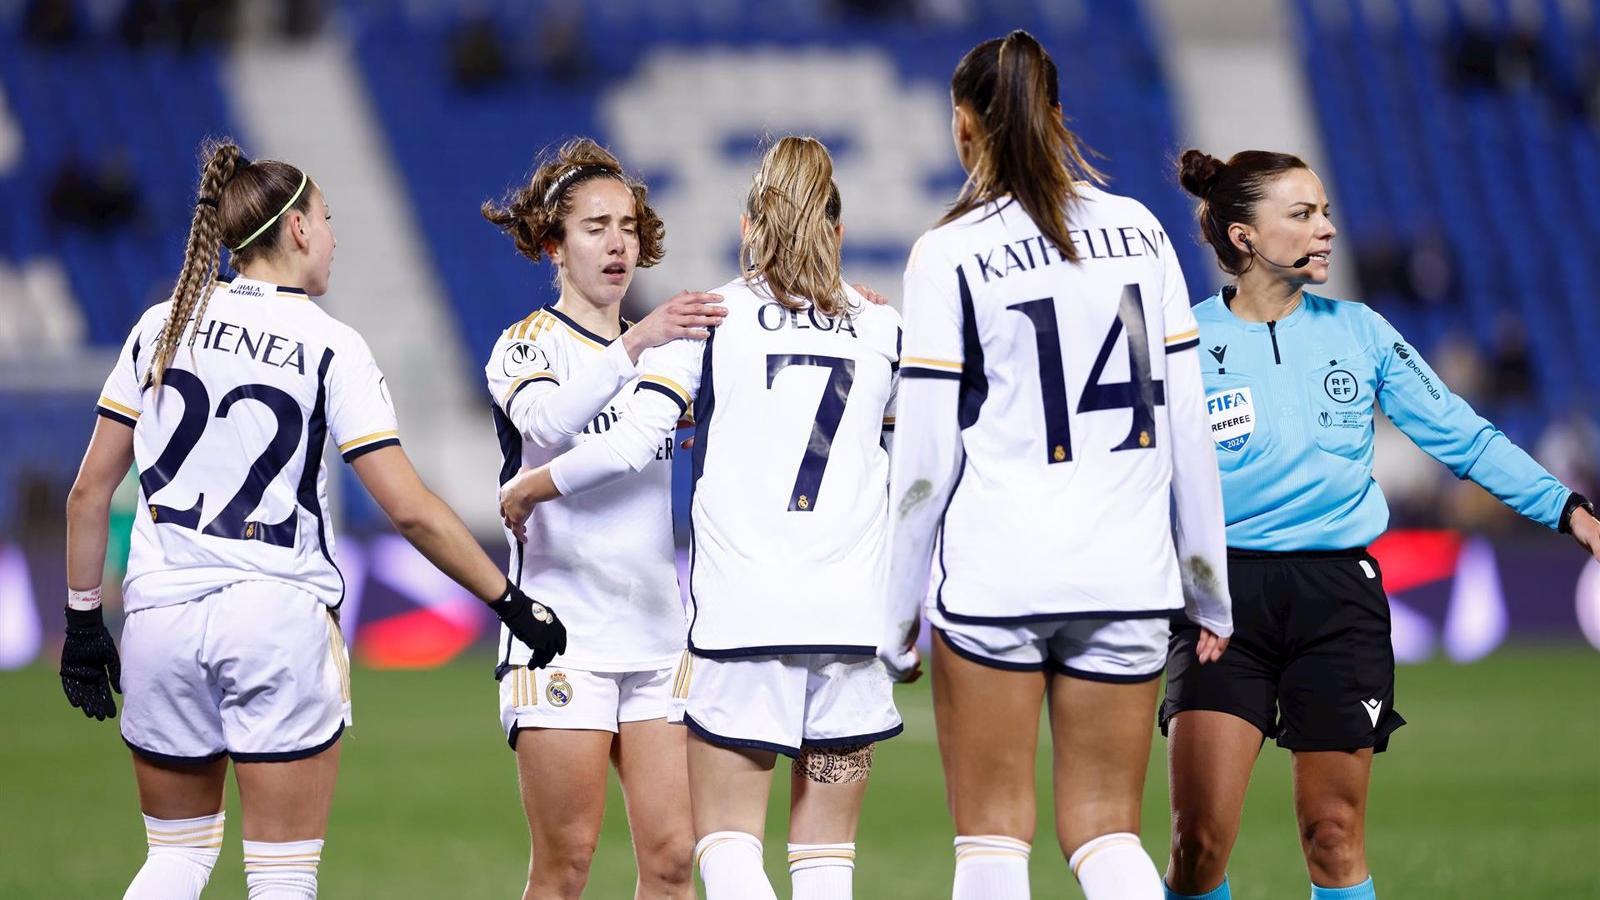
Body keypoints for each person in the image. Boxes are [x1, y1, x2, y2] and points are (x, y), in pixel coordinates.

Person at [59, 140, 566, 900]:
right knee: (282, 876)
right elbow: (410, 510)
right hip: (274, 616)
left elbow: (88, 492)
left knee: (175, 858)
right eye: (327, 220)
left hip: (159, 617)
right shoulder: (332, 345)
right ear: (296, 229)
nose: (333, 237)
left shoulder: (160, 326)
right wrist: (510, 602)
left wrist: (81, 623)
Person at [1161, 148, 1600, 900]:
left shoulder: (1362, 333)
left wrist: (1569, 510)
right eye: (1302, 215)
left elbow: (1463, 435)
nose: (1327, 229)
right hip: (1219, 603)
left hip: (1338, 598)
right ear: (1244, 237)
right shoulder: (1182, 341)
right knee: (1198, 842)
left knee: (1332, 836)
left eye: (1325, 212)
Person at [499, 135, 904, 900]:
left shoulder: (707, 321)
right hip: (853, 627)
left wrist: (530, 488)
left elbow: (627, 446)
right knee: (825, 861)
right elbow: (916, 449)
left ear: (749, 228)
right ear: (839, 233)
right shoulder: (886, 329)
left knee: (723, 846)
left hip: (743, 626)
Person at [877, 30, 1233, 900]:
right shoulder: (1140, 231)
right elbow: (1187, 423)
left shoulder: (950, 251)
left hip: (1000, 577)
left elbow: (923, 462)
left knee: (993, 840)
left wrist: (894, 617)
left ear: (963, 128)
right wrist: (1210, 589)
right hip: (1128, 576)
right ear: (1059, 117)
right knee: (1108, 832)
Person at [479, 137, 726, 900]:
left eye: (626, 224)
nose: (617, 242)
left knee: (673, 860)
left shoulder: (672, 349)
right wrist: (635, 344)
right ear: (553, 244)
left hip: (656, 632)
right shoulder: (526, 347)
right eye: (594, 227)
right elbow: (550, 421)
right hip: (561, 637)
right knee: (566, 866)